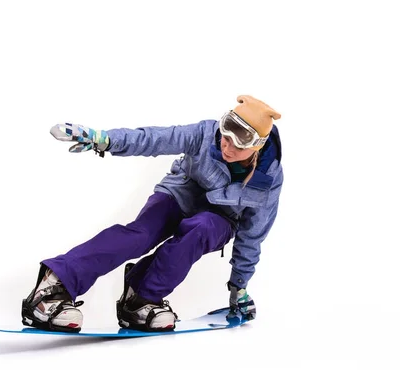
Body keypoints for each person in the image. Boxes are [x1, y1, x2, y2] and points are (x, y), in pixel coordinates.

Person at [21, 95, 283, 333]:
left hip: (218, 219)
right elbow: (156, 138)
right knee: (140, 235)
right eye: (225, 138)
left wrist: (240, 286)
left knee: (201, 228)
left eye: (238, 146)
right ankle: (53, 287)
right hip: (178, 195)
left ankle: (141, 300)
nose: (227, 148)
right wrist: (105, 139)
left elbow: (252, 235)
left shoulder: (268, 178)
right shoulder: (205, 134)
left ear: (257, 146)